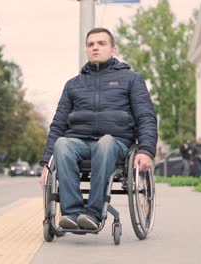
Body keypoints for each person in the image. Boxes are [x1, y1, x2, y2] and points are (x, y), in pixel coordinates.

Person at [38, 28, 158, 230]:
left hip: (116, 144)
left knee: (106, 142)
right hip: (79, 143)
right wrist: (46, 165)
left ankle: (93, 215)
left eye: (101, 43)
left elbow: (146, 116)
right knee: (62, 144)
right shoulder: (73, 85)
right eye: (91, 44)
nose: (95, 47)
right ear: (86, 49)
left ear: (113, 49)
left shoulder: (131, 79)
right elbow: (58, 125)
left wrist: (146, 151)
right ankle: (72, 214)